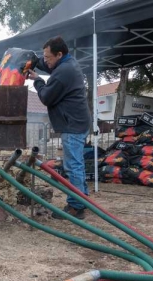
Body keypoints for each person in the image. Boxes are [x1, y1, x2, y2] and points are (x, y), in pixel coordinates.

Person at [27, 36, 91, 220]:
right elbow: (49, 66)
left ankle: (76, 207)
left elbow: (46, 96)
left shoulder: (64, 72)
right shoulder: (67, 63)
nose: (45, 60)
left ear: (59, 54)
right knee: (76, 164)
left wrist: (37, 80)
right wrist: (36, 61)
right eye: (44, 56)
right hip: (77, 121)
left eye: (47, 57)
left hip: (73, 124)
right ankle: (83, 199)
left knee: (73, 166)